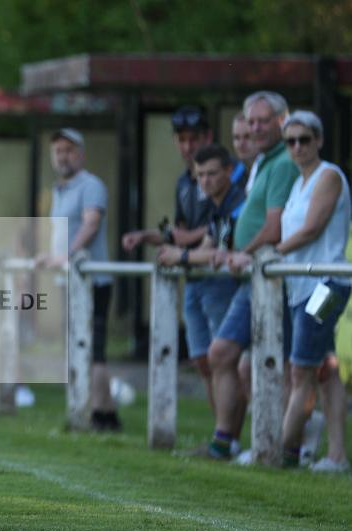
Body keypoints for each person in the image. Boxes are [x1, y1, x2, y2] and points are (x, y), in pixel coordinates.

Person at [206, 91, 299, 460]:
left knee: (286, 366)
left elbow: (275, 228)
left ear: (282, 120)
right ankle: (235, 442)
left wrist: (241, 255)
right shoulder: (262, 162)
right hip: (253, 276)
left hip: (272, 275)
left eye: (263, 121)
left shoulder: (283, 163)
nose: (256, 128)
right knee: (232, 358)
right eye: (252, 121)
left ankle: (287, 446)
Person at [273, 111, 351, 471]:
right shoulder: (297, 184)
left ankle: (282, 450)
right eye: (291, 141)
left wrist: (270, 257)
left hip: (325, 285)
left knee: (301, 369)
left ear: (319, 140)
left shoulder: (328, 175)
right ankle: (335, 454)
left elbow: (312, 229)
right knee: (326, 368)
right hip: (301, 286)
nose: (298, 147)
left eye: (305, 139)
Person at [36, 128, 120, 431]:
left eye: (69, 150)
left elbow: (91, 225)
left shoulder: (91, 185)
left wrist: (65, 258)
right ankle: (105, 413)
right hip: (68, 281)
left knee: (92, 347)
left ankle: (96, 412)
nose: (63, 156)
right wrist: (51, 256)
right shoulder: (58, 190)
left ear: (81, 154)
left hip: (92, 280)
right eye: (58, 151)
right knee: (76, 346)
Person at [157, 144, 244, 424]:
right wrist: (180, 254)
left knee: (228, 361)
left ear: (229, 171)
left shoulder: (237, 201)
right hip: (204, 284)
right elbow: (208, 247)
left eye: (212, 174)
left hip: (232, 289)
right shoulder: (217, 207)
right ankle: (223, 436)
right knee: (207, 361)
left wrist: (180, 255)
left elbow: (220, 254)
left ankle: (229, 437)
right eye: (200, 175)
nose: (205, 181)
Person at [122, 106, 214, 252]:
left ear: (208, 137)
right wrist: (144, 235)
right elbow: (178, 232)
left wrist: (189, 237)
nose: (187, 147)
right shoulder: (182, 182)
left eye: (194, 139)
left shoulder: (226, 172)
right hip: (193, 270)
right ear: (174, 140)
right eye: (181, 140)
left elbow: (231, 222)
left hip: (222, 269)